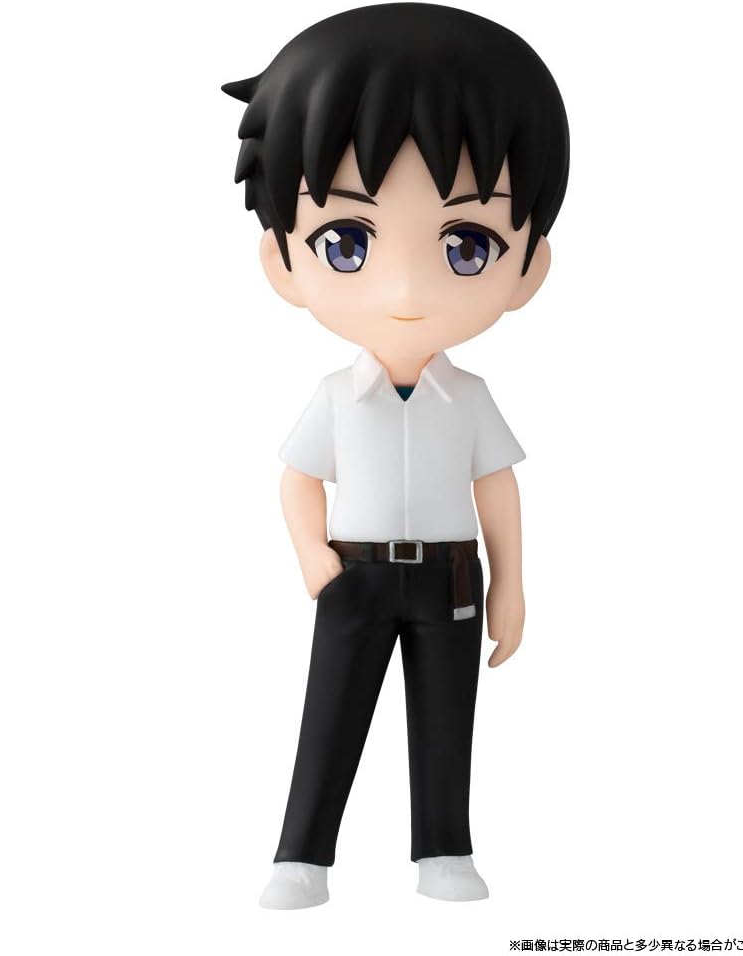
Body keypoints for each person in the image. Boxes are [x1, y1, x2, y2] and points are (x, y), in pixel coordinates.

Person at [220, 1, 569, 908]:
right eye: (345, 242)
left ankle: (444, 851)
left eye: (468, 245)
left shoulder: (472, 397)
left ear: (528, 267)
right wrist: (313, 557)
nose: (407, 288)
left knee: (449, 718)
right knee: (330, 714)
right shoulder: (337, 396)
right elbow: (298, 477)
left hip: (452, 576)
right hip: (356, 575)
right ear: (281, 261)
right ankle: (300, 856)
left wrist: (511, 583)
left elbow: (498, 490)